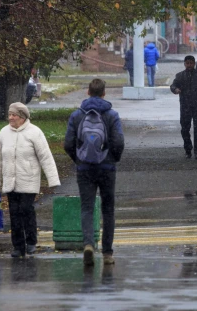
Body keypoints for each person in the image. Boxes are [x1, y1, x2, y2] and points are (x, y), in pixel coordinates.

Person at [64, 78, 125, 266]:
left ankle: (88, 245)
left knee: (87, 208)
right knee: (108, 210)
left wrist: (79, 159)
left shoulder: (76, 116)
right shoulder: (112, 115)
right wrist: (112, 158)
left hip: (85, 169)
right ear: (104, 93)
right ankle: (107, 253)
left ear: (88, 92)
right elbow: (119, 142)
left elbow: (68, 144)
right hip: (107, 168)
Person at [0, 102, 60, 258]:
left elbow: (45, 157)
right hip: (10, 181)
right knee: (14, 213)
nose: (10, 118)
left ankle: (31, 241)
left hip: (29, 180)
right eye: (9, 115)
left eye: (13, 115)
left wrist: (53, 180)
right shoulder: (3, 133)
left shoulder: (34, 133)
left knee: (25, 209)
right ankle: (18, 246)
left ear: (22, 117)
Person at [170, 56, 197, 160]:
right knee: (185, 129)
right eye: (187, 63)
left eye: (191, 63)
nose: (189, 65)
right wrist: (175, 89)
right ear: (184, 64)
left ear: (194, 64)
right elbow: (173, 85)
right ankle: (188, 149)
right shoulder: (180, 76)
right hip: (185, 106)